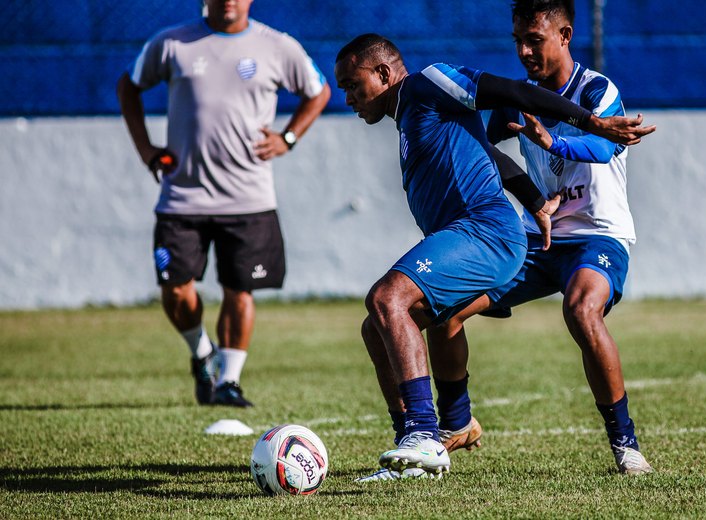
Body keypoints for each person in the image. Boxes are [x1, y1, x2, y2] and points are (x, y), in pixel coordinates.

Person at [333, 33, 654, 480]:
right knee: (379, 327)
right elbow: (484, 152)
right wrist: (536, 200)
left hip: (489, 233)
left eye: (351, 84)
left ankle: (426, 435)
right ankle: (419, 443)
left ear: (384, 73)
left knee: (388, 299)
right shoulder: (413, 114)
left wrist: (591, 122)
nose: (346, 96)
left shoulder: (428, 82)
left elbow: (513, 90)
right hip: (490, 234)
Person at [426, 0, 653, 476]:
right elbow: (482, 145)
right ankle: (457, 423)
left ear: (566, 35)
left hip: (597, 236)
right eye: (518, 41)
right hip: (538, 240)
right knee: (444, 309)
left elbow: (609, 141)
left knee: (581, 308)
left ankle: (625, 445)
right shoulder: (517, 97)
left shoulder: (597, 89)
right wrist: (529, 197)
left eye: (535, 40)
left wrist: (558, 142)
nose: (525, 51)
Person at [116, 0, 330, 407]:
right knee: (176, 290)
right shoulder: (171, 43)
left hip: (249, 198)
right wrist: (146, 150)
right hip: (181, 198)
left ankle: (229, 381)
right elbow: (129, 86)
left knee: (240, 290)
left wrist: (287, 138)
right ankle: (202, 353)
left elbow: (318, 92)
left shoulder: (278, 46)